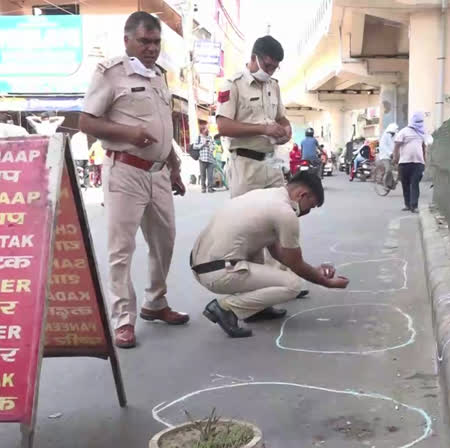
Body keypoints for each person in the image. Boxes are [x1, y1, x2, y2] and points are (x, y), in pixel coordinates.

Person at [78, 11, 189, 349]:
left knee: (165, 241)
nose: (151, 48)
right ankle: (123, 320)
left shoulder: (159, 76)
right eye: (145, 41)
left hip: (158, 174)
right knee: (120, 250)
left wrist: (174, 167)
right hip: (124, 171)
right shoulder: (110, 74)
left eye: (156, 42)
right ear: (127, 41)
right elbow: (86, 121)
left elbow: (163, 130)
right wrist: (128, 132)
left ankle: (155, 302)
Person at [191, 172, 350, 338]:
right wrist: (326, 282)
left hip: (203, 265)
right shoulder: (285, 213)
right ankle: (226, 308)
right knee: (292, 285)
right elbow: (294, 262)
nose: (306, 213)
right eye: (309, 207)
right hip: (217, 272)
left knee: (261, 256)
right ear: (302, 195)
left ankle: (255, 310)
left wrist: (314, 271)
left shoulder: (266, 196)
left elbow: (279, 254)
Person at [215, 35, 292, 198]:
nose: (269, 72)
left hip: (272, 162)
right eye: (267, 66)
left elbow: (280, 117)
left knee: (277, 215)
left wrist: (287, 129)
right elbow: (223, 126)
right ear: (253, 58)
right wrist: (263, 129)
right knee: (246, 220)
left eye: (274, 68)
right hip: (245, 166)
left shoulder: (273, 85)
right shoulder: (233, 84)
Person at [393, 112, 427, 213]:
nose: (419, 123)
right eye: (417, 121)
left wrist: (425, 161)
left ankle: (414, 206)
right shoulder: (404, 132)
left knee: (415, 183)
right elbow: (397, 145)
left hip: (418, 163)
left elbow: (424, 147)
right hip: (404, 163)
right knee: (406, 184)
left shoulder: (422, 133)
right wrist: (395, 157)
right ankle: (407, 204)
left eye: (421, 121)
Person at [196, 123, 216, 193]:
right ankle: (203, 188)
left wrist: (210, 145)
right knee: (203, 175)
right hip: (202, 159)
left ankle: (210, 188)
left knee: (210, 175)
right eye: (206, 129)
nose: (207, 130)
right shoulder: (198, 138)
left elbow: (214, 147)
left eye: (207, 129)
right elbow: (195, 146)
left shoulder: (210, 138)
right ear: (202, 130)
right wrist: (203, 144)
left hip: (210, 159)